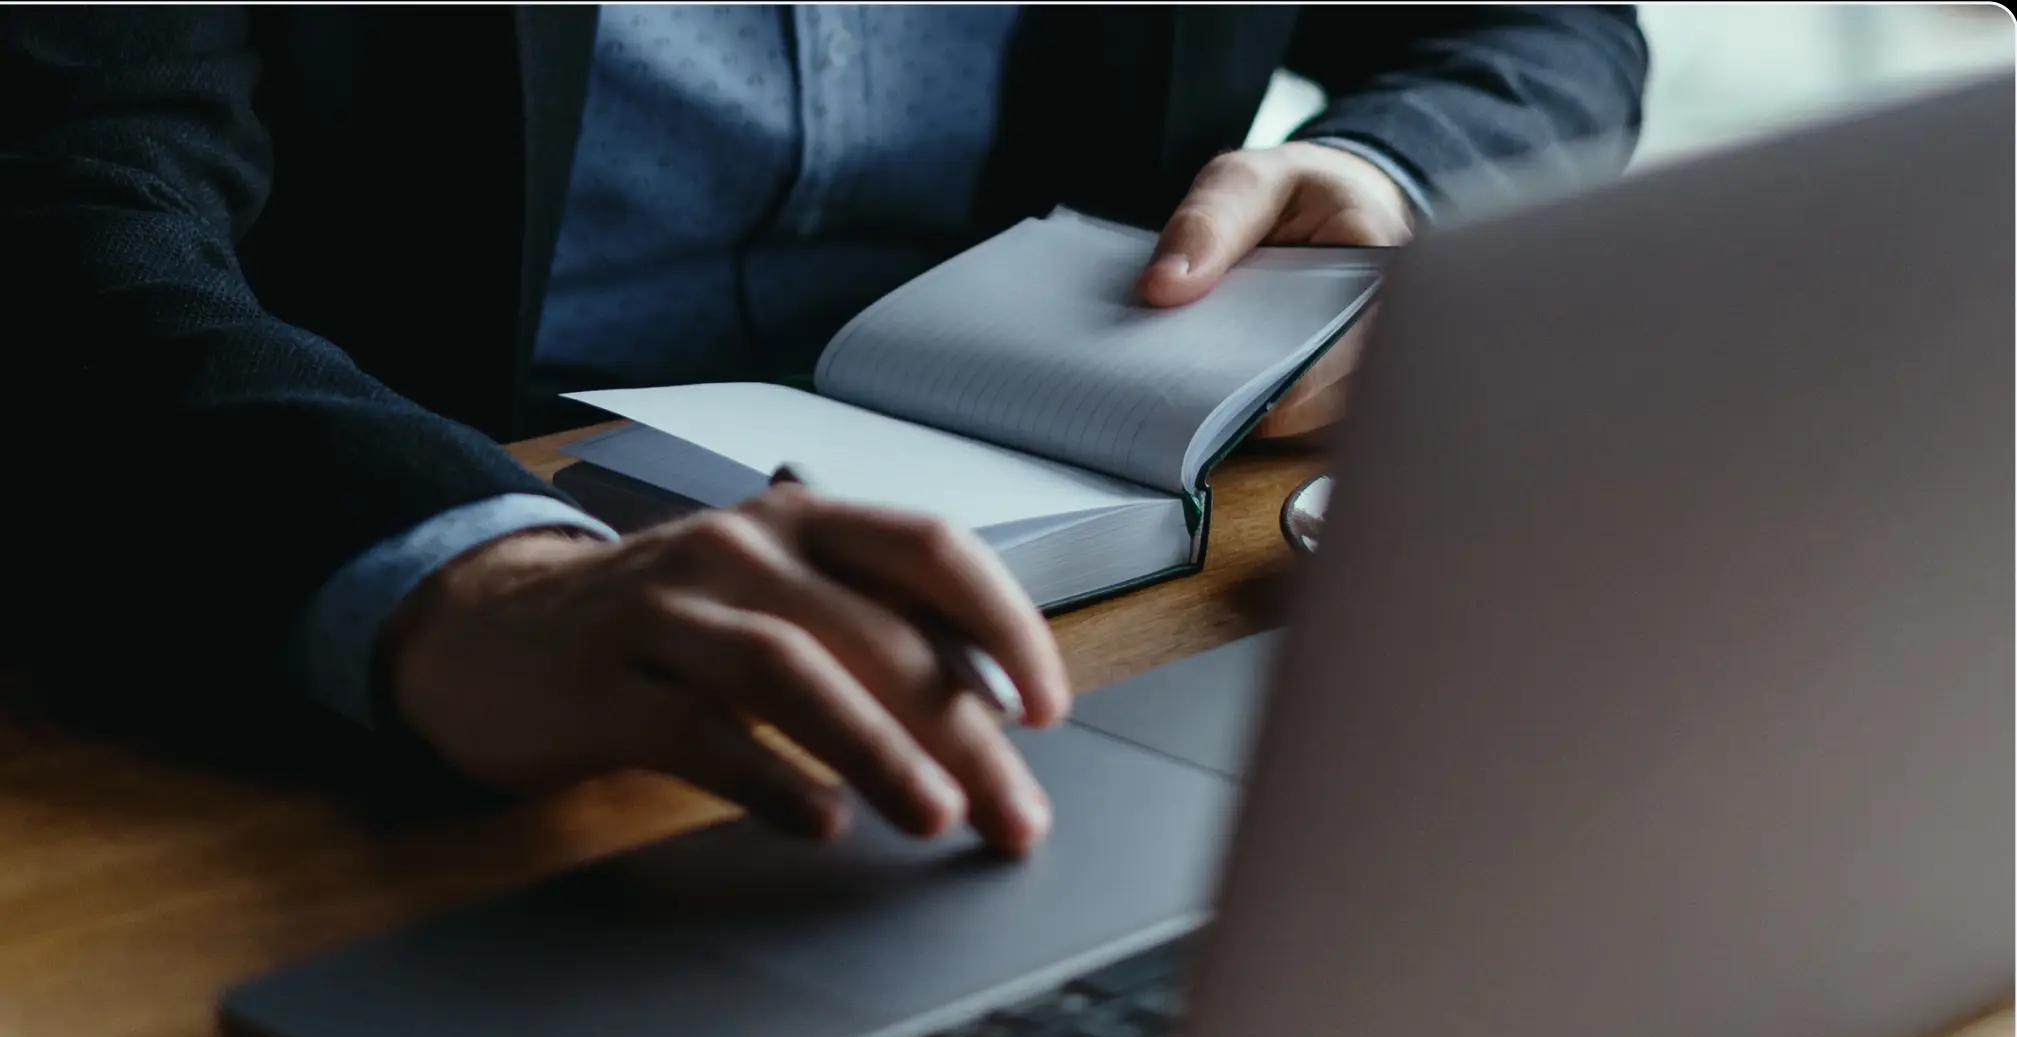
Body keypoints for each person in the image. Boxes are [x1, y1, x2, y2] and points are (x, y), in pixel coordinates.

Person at [0, 5, 1646, 852]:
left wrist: (1392, 180)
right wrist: (470, 572)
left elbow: (1529, 27)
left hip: (1125, 594)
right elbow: (61, 211)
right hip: (397, 592)